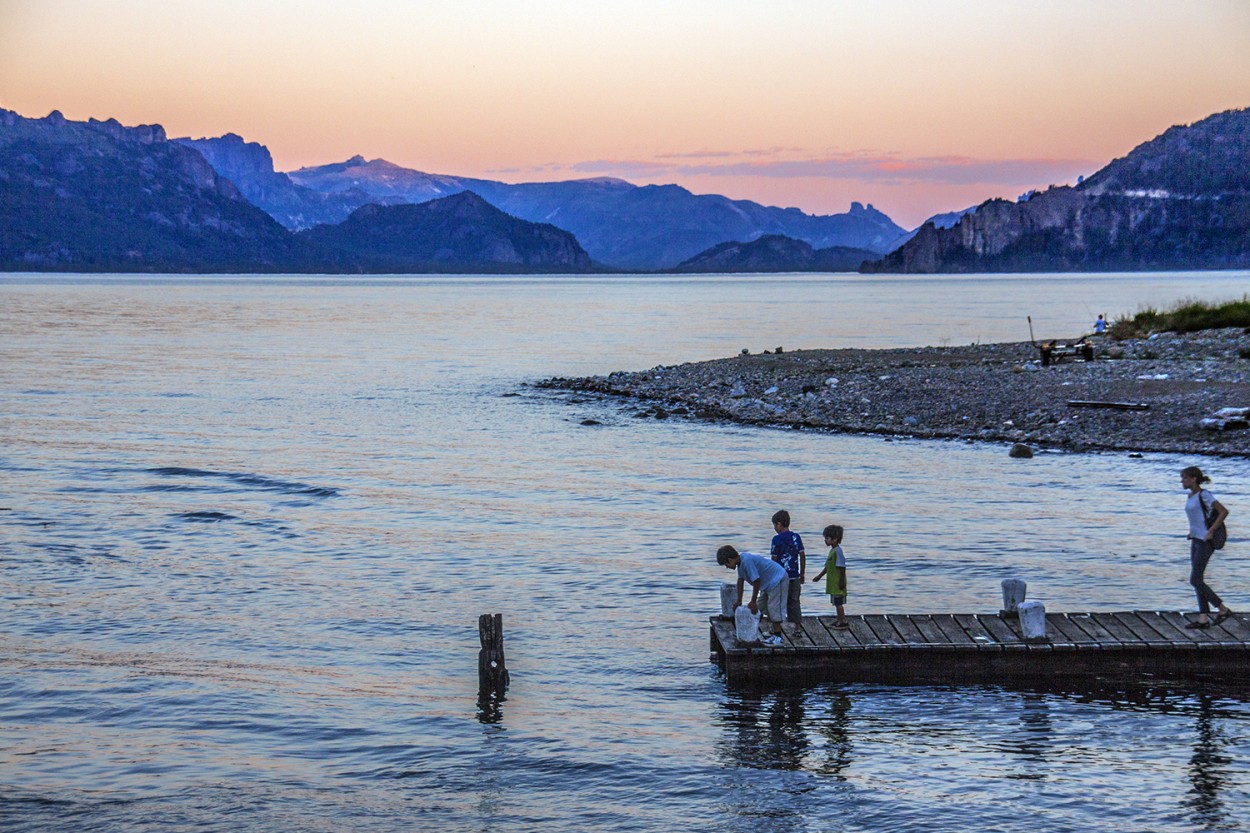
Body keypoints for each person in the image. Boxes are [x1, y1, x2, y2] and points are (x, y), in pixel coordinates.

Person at [1180, 466, 1233, 628]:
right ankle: (1203, 618)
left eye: (1184, 478)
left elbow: (1223, 511)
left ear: (1193, 479)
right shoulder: (1191, 496)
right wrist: (1192, 531)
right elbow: (1197, 517)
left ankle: (1222, 609)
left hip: (1205, 541)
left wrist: (1211, 531)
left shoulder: (1205, 495)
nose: (1182, 481)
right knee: (1198, 580)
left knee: (1195, 579)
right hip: (1196, 540)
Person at [717, 545, 786, 646]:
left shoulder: (747, 561)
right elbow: (740, 581)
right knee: (760, 608)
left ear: (730, 560)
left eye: (726, 564)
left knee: (774, 608)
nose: (727, 567)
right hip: (767, 585)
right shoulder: (740, 564)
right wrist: (738, 600)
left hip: (777, 579)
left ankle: (778, 637)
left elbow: (756, 581)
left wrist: (753, 600)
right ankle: (764, 631)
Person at [769, 509, 805, 626]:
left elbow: (774, 559)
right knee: (794, 601)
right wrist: (802, 573)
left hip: (780, 576)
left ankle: (777, 626)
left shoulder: (776, 539)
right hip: (795, 575)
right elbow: (802, 555)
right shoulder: (796, 537)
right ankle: (797, 628)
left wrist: (770, 576)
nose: (774, 528)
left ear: (779, 524)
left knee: (778, 601)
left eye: (774, 525)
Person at [811, 524, 849, 629]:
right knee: (836, 602)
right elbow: (828, 567)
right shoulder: (832, 551)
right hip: (833, 583)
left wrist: (841, 581)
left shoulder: (838, 551)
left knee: (839, 603)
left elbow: (842, 567)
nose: (825, 541)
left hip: (837, 583)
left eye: (827, 538)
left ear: (835, 539)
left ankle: (843, 621)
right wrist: (819, 576)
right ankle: (839, 619)